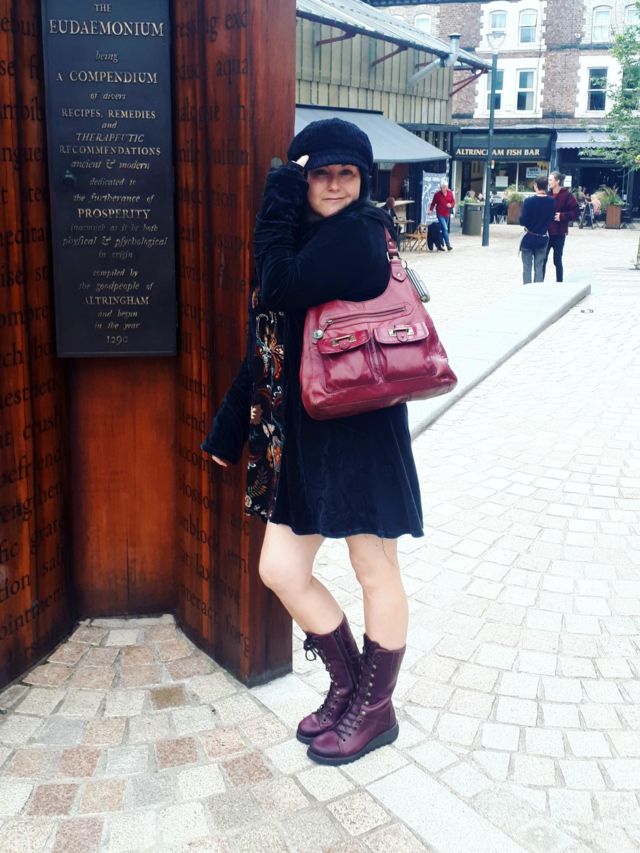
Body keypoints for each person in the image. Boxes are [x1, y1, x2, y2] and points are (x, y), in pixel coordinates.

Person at [201, 118, 422, 766]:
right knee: (280, 569)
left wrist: (277, 192)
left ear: (364, 180)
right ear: (306, 181)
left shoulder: (360, 234)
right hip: (302, 445)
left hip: (359, 435)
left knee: (374, 569)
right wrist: (227, 433)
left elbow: (278, 284)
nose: (333, 185)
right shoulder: (302, 241)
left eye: (345, 173)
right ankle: (350, 686)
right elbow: (265, 350)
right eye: (319, 174)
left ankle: (375, 712)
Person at [519, 176, 556, 284]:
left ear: (536, 185)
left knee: (527, 267)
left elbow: (523, 221)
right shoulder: (552, 201)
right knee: (539, 267)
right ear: (546, 186)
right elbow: (552, 218)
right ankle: (537, 289)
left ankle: (527, 289)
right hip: (542, 237)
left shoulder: (528, 201)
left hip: (528, 237)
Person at [544, 171, 579, 282]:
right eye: (548, 180)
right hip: (546, 233)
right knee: (543, 260)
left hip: (559, 233)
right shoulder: (547, 195)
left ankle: (559, 283)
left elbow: (576, 213)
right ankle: (539, 283)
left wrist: (562, 216)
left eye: (550, 180)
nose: (548, 182)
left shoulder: (567, 195)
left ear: (557, 181)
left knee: (557, 260)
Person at [429, 178, 455, 251]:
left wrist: (451, 205)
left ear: (447, 187)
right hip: (440, 213)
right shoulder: (437, 194)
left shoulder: (450, 193)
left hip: (447, 213)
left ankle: (439, 244)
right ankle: (448, 245)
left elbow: (453, 202)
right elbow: (433, 203)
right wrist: (430, 210)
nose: (443, 189)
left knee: (443, 230)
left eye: (445, 187)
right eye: (442, 187)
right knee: (445, 228)